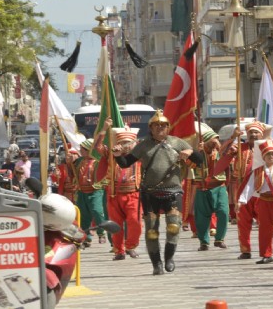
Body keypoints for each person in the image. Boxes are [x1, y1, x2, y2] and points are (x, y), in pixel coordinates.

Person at [113, 110, 200, 275]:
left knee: (174, 227)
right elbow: (125, 163)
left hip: (173, 191)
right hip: (150, 192)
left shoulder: (178, 142)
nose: (160, 128)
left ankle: (169, 258)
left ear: (168, 127)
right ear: (151, 128)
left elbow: (200, 161)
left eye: (163, 125)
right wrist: (118, 155)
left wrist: (190, 152)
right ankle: (156, 264)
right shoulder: (143, 145)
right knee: (152, 232)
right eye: (156, 125)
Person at [97, 119, 142, 261]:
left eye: (129, 143)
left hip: (133, 194)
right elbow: (97, 146)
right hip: (114, 194)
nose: (126, 147)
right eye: (123, 143)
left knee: (135, 221)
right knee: (115, 225)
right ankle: (119, 251)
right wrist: (104, 128)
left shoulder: (139, 156)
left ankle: (131, 246)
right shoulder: (110, 154)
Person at [220, 121, 266, 259]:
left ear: (261, 134)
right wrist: (233, 137)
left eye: (256, 132)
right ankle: (245, 250)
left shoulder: (266, 148)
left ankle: (266, 251)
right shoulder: (240, 147)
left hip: (261, 190)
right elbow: (222, 153)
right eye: (251, 132)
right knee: (243, 222)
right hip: (241, 190)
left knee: (265, 222)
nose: (253, 134)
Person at [193, 130, 230, 251]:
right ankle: (204, 242)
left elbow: (228, 153)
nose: (215, 143)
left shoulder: (221, 153)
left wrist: (234, 136)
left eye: (217, 140)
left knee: (223, 212)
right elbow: (189, 165)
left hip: (219, 187)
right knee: (201, 217)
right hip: (202, 188)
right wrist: (196, 154)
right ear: (205, 143)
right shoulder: (198, 153)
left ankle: (219, 239)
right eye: (212, 141)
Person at [74, 139, 107, 248]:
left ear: (88, 149)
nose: (80, 151)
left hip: (95, 191)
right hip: (82, 191)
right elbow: (71, 172)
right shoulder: (79, 161)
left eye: (82, 149)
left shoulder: (97, 161)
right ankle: (86, 238)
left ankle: (101, 233)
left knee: (97, 211)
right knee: (83, 216)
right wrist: (69, 162)